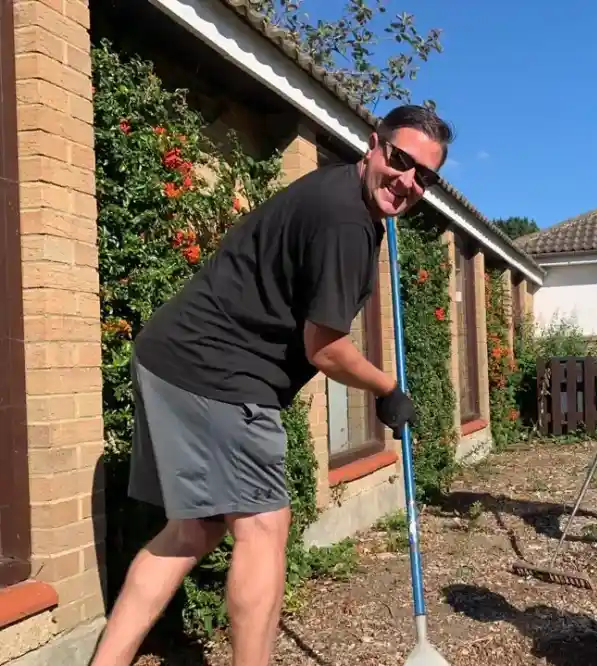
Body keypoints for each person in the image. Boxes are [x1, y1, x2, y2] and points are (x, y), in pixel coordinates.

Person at [89, 104, 453, 666]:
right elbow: (325, 347)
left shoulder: (343, 196)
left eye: (424, 176)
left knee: (191, 533)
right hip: (217, 371)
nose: (407, 181)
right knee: (263, 525)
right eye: (401, 160)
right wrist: (388, 388)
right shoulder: (346, 223)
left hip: (175, 357)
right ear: (373, 144)